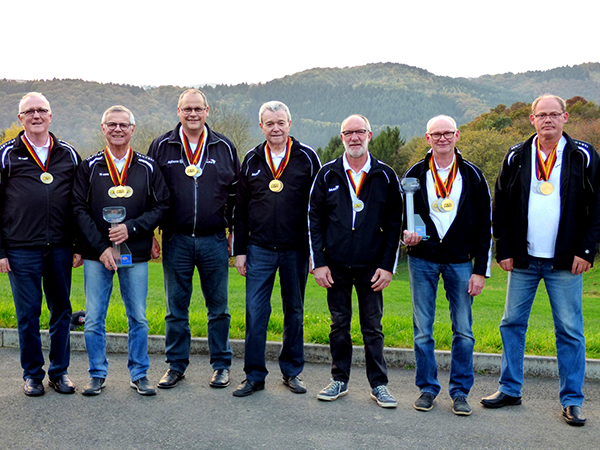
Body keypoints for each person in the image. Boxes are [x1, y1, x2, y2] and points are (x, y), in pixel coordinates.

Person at [481, 94, 600, 427]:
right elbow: (500, 201)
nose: (548, 120)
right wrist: (502, 247)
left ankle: (573, 400)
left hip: (565, 261)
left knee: (571, 330)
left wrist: (587, 250)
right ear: (531, 119)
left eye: (554, 114)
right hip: (523, 259)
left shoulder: (584, 155)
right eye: (541, 114)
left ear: (565, 118)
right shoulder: (517, 155)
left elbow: (598, 208)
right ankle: (509, 388)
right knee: (511, 324)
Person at [72, 105, 169, 396]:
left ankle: (139, 373)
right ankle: (97, 374)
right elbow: (77, 208)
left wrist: (134, 228)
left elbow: (162, 205)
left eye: (123, 125)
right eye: (111, 124)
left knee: (138, 317)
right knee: (93, 318)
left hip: (135, 252)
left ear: (132, 130)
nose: (117, 129)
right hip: (96, 255)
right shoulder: (89, 167)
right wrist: (100, 247)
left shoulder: (147, 166)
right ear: (103, 129)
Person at [147, 89, 240, 390]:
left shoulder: (224, 146)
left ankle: (221, 365)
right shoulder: (161, 146)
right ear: (178, 111)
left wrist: (234, 235)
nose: (193, 114)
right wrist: (151, 234)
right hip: (176, 239)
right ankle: (176, 365)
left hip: (214, 239)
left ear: (207, 110)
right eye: (187, 109)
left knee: (219, 308)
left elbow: (238, 197)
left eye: (198, 109)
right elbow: (149, 194)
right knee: (176, 308)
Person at [309, 114, 402, 408]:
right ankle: (339, 380)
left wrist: (388, 267)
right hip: (335, 266)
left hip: (372, 267)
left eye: (359, 132)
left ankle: (380, 385)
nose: (354, 138)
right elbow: (313, 220)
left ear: (370, 135)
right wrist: (319, 262)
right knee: (339, 325)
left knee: (372, 327)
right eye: (348, 133)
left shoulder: (385, 175)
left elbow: (394, 225)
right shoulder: (327, 174)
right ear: (341, 138)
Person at [402, 115, 492, 416]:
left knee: (464, 331)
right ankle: (427, 389)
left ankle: (460, 392)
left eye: (447, 133)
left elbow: (484, 227)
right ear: (427, 138)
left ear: (457, 136)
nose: (442, 138)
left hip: (460, 262)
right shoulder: (414, 173)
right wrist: (407, 235)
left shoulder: (473, 175)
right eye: (435, 134)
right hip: (422, 260)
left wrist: (480, 270)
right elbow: (403, 216)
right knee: (422, 330)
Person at [232, 101, 321, 397]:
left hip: (296, 250)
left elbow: (317, 209)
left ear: (289, 124)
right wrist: (240, 250)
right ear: (261, 126)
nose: (275, 128)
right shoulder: (251, 159)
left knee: (294, 311)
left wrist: (314, 252)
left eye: (280, 122)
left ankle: (292, 372)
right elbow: (241, 209)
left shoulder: (307, 158)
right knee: (256, 313)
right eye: (269, 123)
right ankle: (254, 376)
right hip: (259, 249)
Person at [0, 92, 81, 396]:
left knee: (61, 310)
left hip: (60, 246)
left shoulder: (69, 154)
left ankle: (59, 372)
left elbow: (79, 204)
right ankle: (33, 374)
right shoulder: (6, 154)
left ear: (50, 115)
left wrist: (78, 245)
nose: (36, 116)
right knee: (28, 312)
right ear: (20, 118)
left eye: (41, 110)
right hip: (21, 248)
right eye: (29, 111)